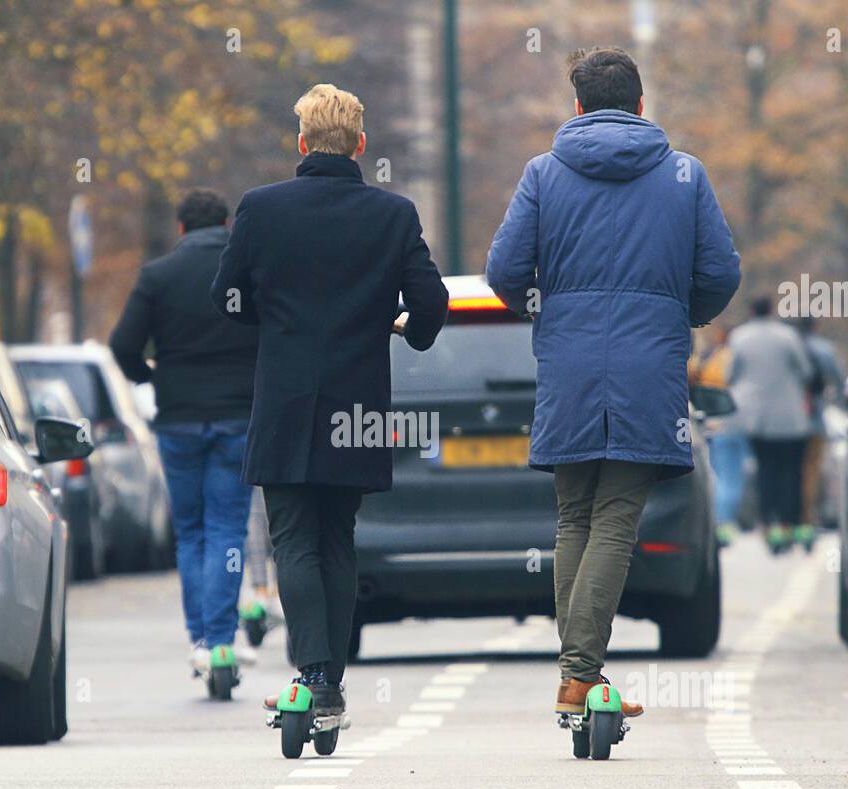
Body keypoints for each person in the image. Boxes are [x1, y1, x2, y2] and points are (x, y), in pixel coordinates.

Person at [485, 47, 740, 719]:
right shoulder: (685, 175)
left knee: (574, 514)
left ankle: (576, 672)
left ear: (577, 106)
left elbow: (506, 270)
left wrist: (551, 307)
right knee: (618, 516)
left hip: (566, 362)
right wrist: (676, 311)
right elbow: (719, 272)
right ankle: (580, 673)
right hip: (649, 364)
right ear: (641, 105)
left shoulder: (542, 175)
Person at [210, 83, 448, 714]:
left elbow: (226, 297)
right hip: (358, 403)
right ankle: (330, 683)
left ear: (301, 142)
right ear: (361, 144)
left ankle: (312, 676)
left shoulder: (262, 209)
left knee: (293, 538)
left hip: (287, 396)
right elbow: (431, 303)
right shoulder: (392, 215)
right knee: (339, 536)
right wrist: (403, 328)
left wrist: (274, 324)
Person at [110, 188, 259, 678]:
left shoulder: (159, 275)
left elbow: (123, 343)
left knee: (191, 532)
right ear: (227, 224)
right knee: (227, 530)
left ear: (180, 229)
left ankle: (201, 639)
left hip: (178, 420)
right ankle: (222, 640)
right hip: (238, 416)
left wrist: (150, 376)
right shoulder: (247, 271)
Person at [728, 296, 813, 554]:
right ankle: (791, 522)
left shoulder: (739, 338)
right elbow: (806, 371)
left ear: (752, 310)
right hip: (790, 417)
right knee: (791, 472)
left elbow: (731, 374)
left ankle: (769, 524)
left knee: (766, 472)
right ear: (772, 310)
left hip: (757, 418)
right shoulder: (787, 336)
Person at [693, 324, 748, 545]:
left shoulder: (714, 359)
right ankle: (724, 522)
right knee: (731, 475)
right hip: (734, 421)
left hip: (715, 423)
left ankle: (718, 521)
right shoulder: (733, 357)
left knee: (718, 473)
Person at [795, 315, 843, 543]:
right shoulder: (823, 349)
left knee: (790, 470)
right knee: (811, 470)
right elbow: (838, 380)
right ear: (815, 326)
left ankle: (789, 518)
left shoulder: (790, 346)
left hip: (786, 422)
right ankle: (807, 518)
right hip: (813, 419)